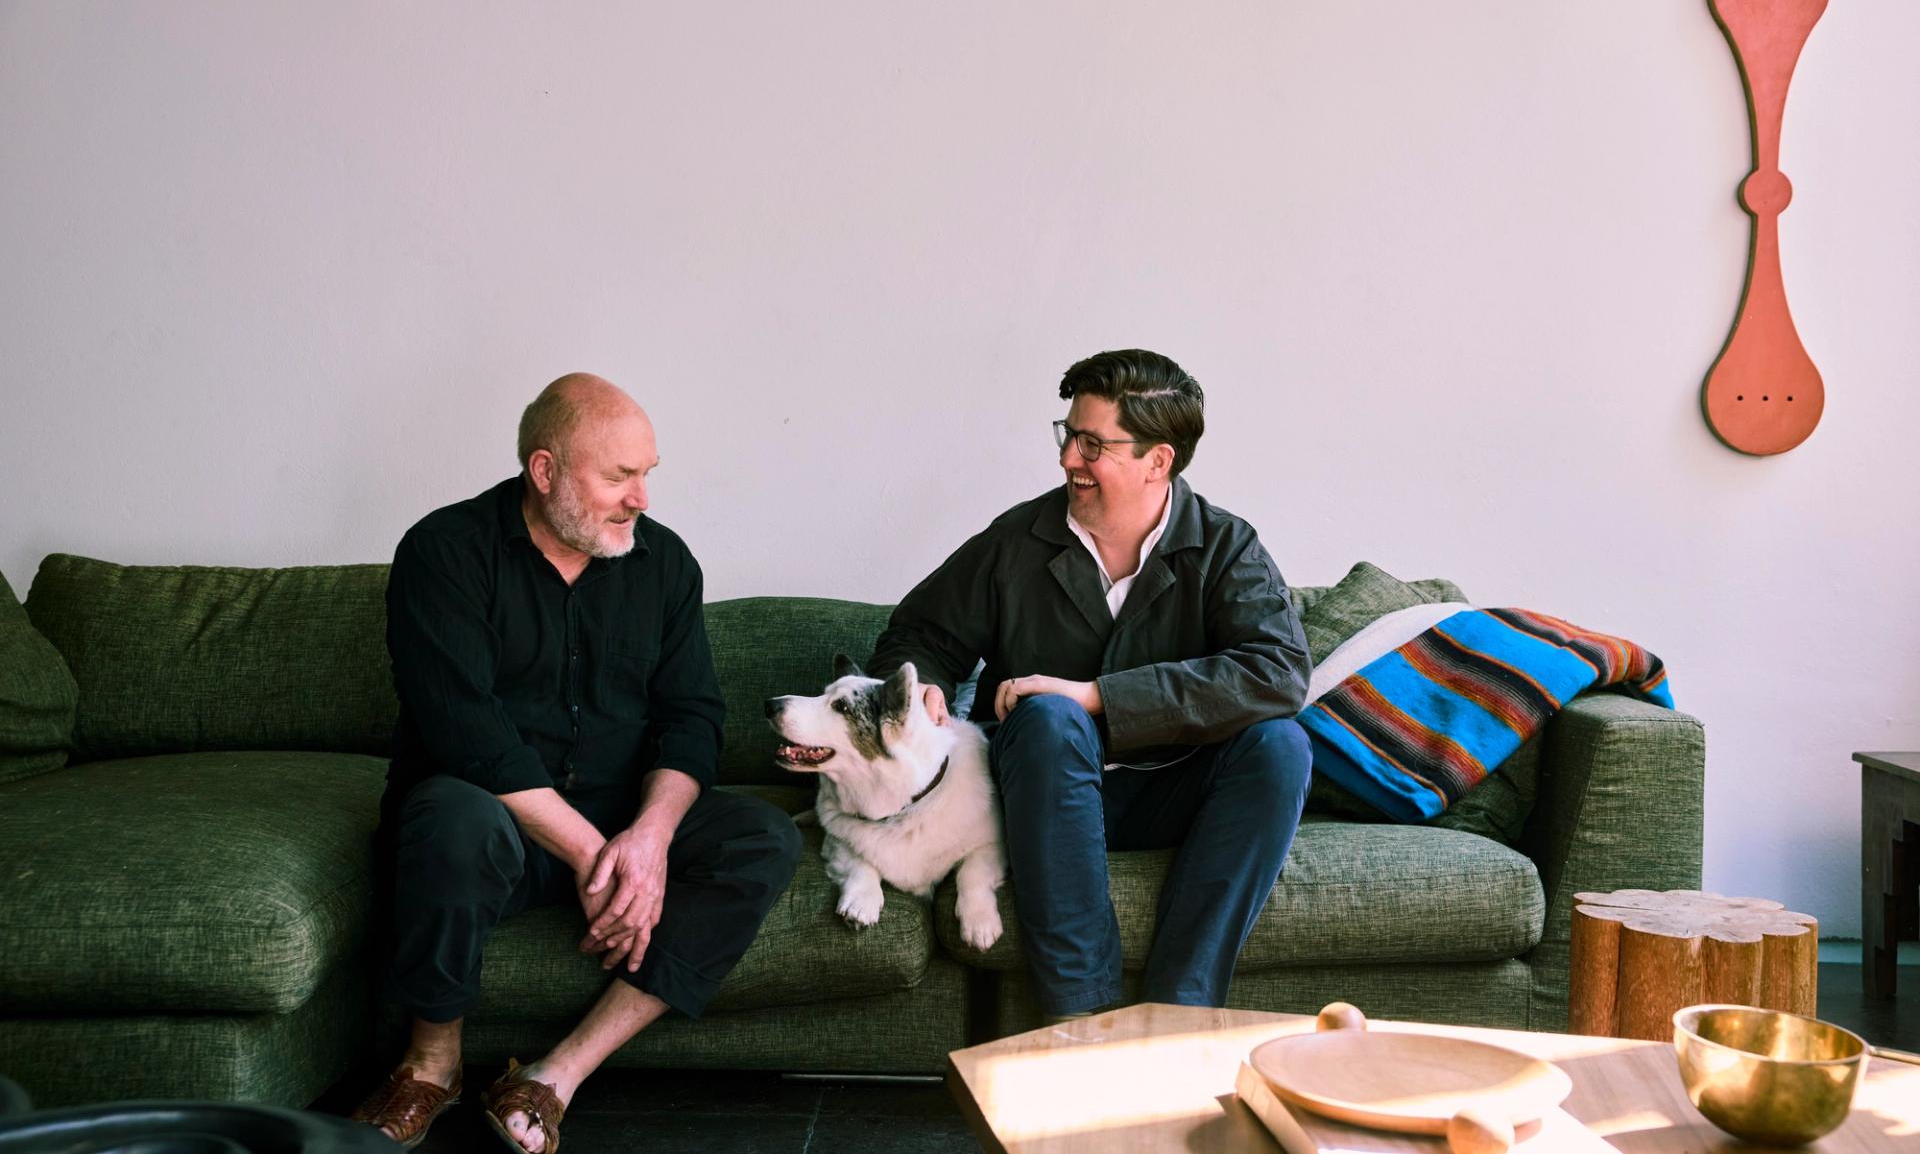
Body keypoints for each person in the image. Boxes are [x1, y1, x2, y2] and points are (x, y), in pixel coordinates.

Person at [352, 373, 801, 1152]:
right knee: (451, 815)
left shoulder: (665, 564)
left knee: (762, 837)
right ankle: (431, 1064)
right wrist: (601, 859)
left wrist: (650, 840)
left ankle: (555, 1075)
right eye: (620, 476)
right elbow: (467, 731)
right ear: (545, 470)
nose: (641, 498)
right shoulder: (444, 551)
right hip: (496, 823)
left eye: (647, 473)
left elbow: (691, 719)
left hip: (620, 810)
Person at [867, 348, 1312, 1020]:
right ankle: (1082, 1020)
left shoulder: (1226, 546)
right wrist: (922, 685)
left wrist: (1099, 695)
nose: (1068, 458)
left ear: (1157, 461)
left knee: (1281, 746)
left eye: (1093, 444)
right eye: (1068, 434)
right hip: (1040, 792)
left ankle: (1180, 1014)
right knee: (1049, 719)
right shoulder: (1017, 540)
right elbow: (918, 635)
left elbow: (1279, 671)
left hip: (1176, 793)